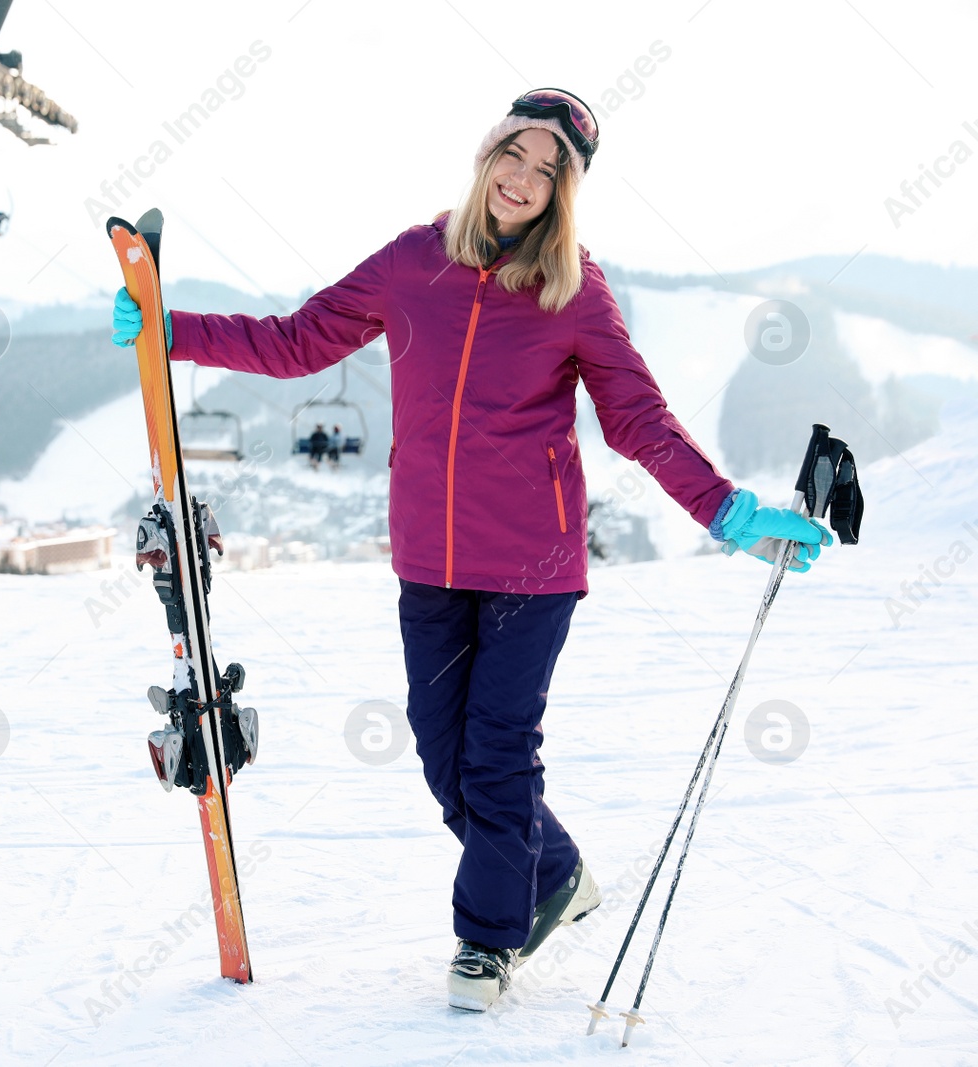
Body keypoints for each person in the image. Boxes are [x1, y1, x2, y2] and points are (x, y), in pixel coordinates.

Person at [111, 88, 833, 1011]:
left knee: (495, 755)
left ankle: (486, 941)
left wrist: (726, 510)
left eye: (549, 171)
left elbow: (637, 418)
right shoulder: (414, 260)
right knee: (440, 753)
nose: (524, 181)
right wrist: (175, 335)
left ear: (566, 192)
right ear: (489, 152)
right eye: (517, 155)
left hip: (533, 564)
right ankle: (556, 871)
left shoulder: (574, 289)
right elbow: (298, 341)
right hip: (428, 557)